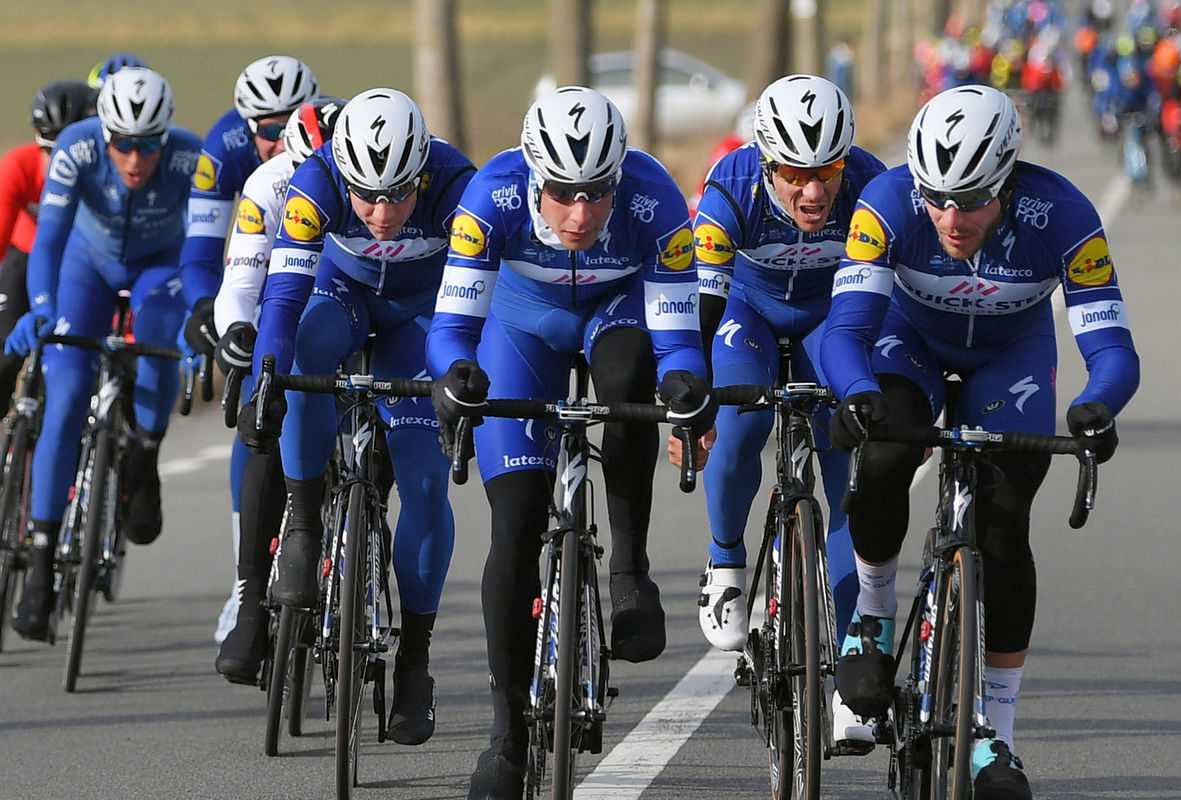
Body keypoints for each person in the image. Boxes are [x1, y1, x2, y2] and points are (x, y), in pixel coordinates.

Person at [821, 85, 1139, 799]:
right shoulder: (888, 203)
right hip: (911, 345)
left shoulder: (1063, 216)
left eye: (971, 200)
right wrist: (855, 393)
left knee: (1002, 528)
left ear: (1007, 179)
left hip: (1011, 356)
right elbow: (846, 330)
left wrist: (1096, 406)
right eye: (937, 198)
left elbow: (1112, 349)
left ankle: (998, 732)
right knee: (882, 456)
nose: (950, 217)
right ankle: (871, 617)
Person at [424, 86, 716, 800]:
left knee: (629, 377)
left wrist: (683, 384)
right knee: (517, 523)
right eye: (561, 193)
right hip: (524, 328)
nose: (581, 213)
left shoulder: (655, 200)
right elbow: (453, 330)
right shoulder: (489, 198)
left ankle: (629, 572)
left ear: (619, 177)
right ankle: (505, 735)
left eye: (597, 192)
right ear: (532, 176)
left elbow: (678, 337)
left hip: (616, 317)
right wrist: (453, 375)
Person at [251, 88, 476, 744]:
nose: (381, 213)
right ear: (341, 173)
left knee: (426, 483)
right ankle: (302, 521)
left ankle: (416, 660)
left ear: (423, 175)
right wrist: (266, 379)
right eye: (366, 196)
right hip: (341, 296)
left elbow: (477, 296)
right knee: (303, 354)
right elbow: (284, 293)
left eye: (398, 195)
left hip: (422, 316)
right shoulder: (315, 179)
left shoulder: (457, 183)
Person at [682, 73, 886, 753]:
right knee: (740, 426)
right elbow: (703, 310)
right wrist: (695, 405)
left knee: (849, 467)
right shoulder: (729, 187)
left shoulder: (870, 184)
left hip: (834, 317)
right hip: (748, 313)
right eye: (795, 174)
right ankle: (726, 562)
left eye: (826, 171)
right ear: (766, 164)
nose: (814, 191)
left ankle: (849, 678)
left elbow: (901, 298)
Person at [4, 67, 203, 640]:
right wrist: (40, 307)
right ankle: (41, 568)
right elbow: (49, 240)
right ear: (104, 133)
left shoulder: (192, 157)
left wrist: (203, 318)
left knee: (162, 346)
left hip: (160, 265)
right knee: (64, 399)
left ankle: (145, 455)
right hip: (85, 268)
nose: (135, 159)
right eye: (123, 144)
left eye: (148, 146)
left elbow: (209, 246)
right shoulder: (76, 146)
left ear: (165, 137)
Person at [173, 55, 319, 652]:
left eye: (288, 122)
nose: (278, 136)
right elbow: (205, 250)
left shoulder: (328, 134)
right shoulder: (225, 149)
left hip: (325, 280)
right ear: (245, 125)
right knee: (256, 418)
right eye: (266, 127)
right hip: (255, 271)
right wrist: (209, 314)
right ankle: (246, 584)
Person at [209, 95, 345, 685]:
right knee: (263, 420)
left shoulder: (366, 190)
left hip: (357, 308)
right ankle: (248, 594)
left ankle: (364, 544)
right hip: (286, 303)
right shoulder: (267, 183)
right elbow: (240, 283)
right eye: (300, 175)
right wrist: (238, 331)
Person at [0, 78, 98, 530]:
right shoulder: (18, 165)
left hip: (79, 268)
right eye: (48, 149)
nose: (55, 162)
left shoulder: (101, 170)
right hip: (23, 263)